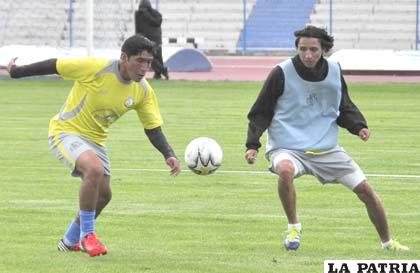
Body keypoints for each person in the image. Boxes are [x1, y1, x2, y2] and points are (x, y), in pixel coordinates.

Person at [6, 34, 181, 257]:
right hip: (66, 131)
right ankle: (88, 235)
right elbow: (55, 65)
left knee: (105, 196)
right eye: (140, 61)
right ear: (124, 58)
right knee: (95, 169)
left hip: (96, 140)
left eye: (148, 62)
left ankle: (69, 240)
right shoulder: (95, 67)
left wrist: (168, 153)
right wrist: (17, 71)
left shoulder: (143, 90)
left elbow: (152, 127)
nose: (144, 67)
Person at [245, 25, 409, 252]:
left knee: (366, 191)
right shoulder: (280, 72)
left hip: (327, 149)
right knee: (284, 170)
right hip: (287, 146)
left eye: (313, 49)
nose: (308, 55)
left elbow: (342, 106)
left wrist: (359, 126)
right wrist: (253, 144)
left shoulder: (334, 70)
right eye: (302, 49)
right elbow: (261, 111)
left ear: (324, 49)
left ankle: (388, 243)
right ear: (297, 49)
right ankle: (294, 227)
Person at [135, 0, 169, 80]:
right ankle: (158, 73)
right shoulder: (138, 15)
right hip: (146, 40)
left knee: (155, 58)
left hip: (155, 39)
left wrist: (147, 15)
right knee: (153, 57)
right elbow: (138, 27)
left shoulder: (155, 14)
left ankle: (162, 71)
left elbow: (157, 22)